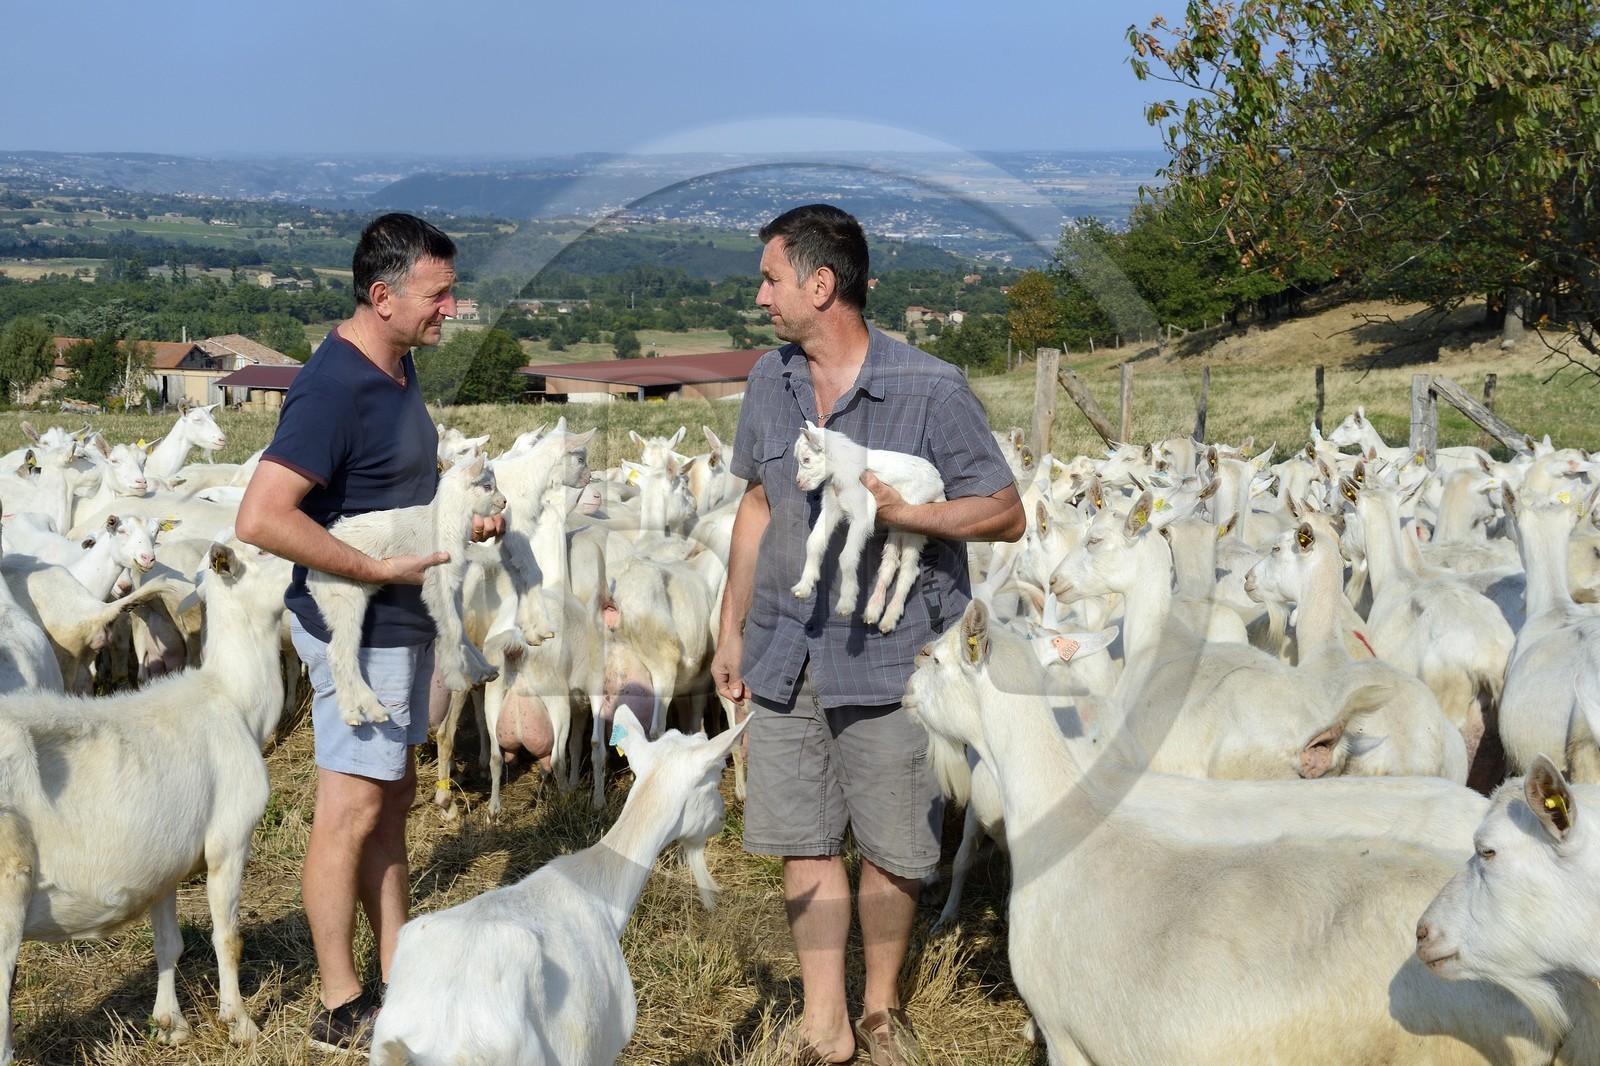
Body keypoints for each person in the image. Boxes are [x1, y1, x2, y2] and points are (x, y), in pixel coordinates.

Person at [711, 203, 1024, 1065]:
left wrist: (911, 512)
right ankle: (825, 1023)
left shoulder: (930, 389)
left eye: (772, 277)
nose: (762, 294)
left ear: (820, 285)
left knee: (893, 844)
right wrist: (729, 625)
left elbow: (1005, 511)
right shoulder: (770, 382)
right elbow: (757, 504)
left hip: (894, 659)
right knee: (803, 837)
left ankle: (880, 1007)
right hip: (784, 647)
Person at [235, 212, 502, 1052]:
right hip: (362, 629)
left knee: (392, 799)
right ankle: (342, 1003)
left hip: (402, 621)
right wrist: (373, 570)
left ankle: (399, 973)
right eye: (437, 294)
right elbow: (261, 517)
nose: (450, 309)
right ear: (381, 296)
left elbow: (393, 496)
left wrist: (461, 527)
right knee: (349, 809)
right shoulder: (333, 387)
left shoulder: (397, 365)